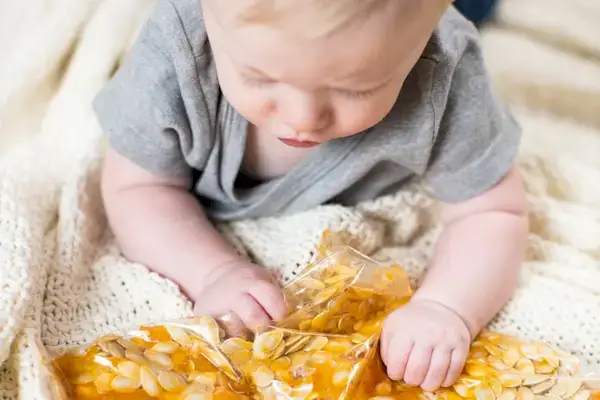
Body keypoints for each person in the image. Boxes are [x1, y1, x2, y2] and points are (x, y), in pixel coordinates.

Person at [95, 0, 528, 391]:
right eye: (258, 76)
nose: (302, 119)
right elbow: (137, 185)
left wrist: (446, 307)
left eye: (356, 87)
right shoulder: (178, 44)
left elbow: (492, 209)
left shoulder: (447, 65)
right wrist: (210, 272)